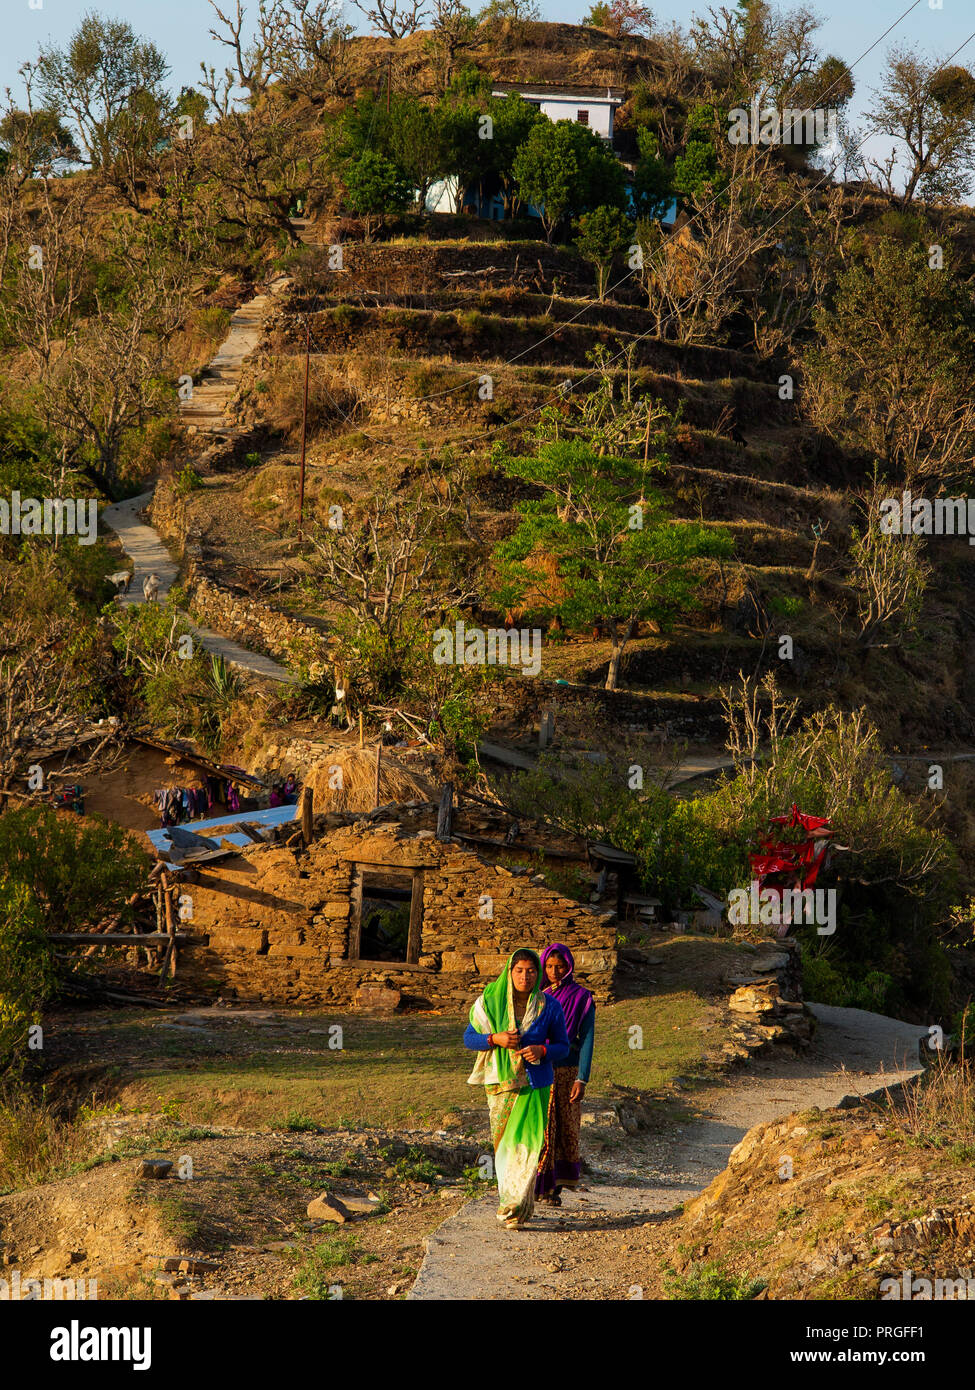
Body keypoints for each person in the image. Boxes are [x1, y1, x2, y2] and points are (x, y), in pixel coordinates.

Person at [464, 947, 570, 1230]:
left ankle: (515, 1208)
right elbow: (468, 1038)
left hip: (535, 1086)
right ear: (509, 973)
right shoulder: (489, 1001)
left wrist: (542, 1050)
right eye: (519, 971)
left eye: (532, 971)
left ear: (538, 975)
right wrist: (494, 1038)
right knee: (505, 1150)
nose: (525, 976)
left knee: (528, 1148)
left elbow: (563, 1047)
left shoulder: (549, 1006)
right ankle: (512, 1205)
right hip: (500, 1086)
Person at [535, 942, 595, 1207]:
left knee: (564, 1127)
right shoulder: (537, 996)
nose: (554, 971)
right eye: (548, 966)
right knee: (541, 1127)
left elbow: (587, 1040)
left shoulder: (581, 998)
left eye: (559, 966)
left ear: (569, 966)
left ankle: (555, 1186)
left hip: (567, 1070)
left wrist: (581, 1077)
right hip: (538, 1068)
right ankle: (537, 1183)